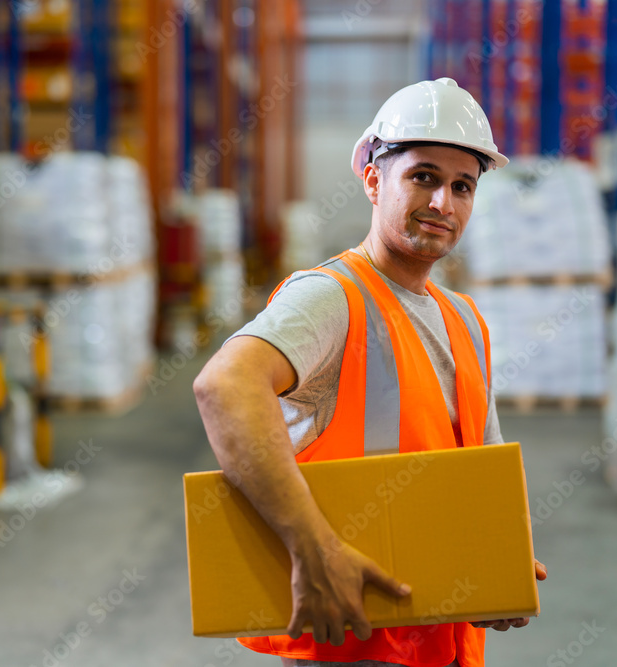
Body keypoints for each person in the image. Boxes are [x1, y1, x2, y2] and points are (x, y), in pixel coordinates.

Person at [193, 77, 547, 667]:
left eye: (463, 186)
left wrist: (503, 560)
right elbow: (225, 386)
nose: (443, 204)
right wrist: (314, 551)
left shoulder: (464, 318)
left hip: (442, 641)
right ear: (374, 179)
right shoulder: (332, 296)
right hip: (351, 643)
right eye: (424, 177)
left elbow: (479, 466)